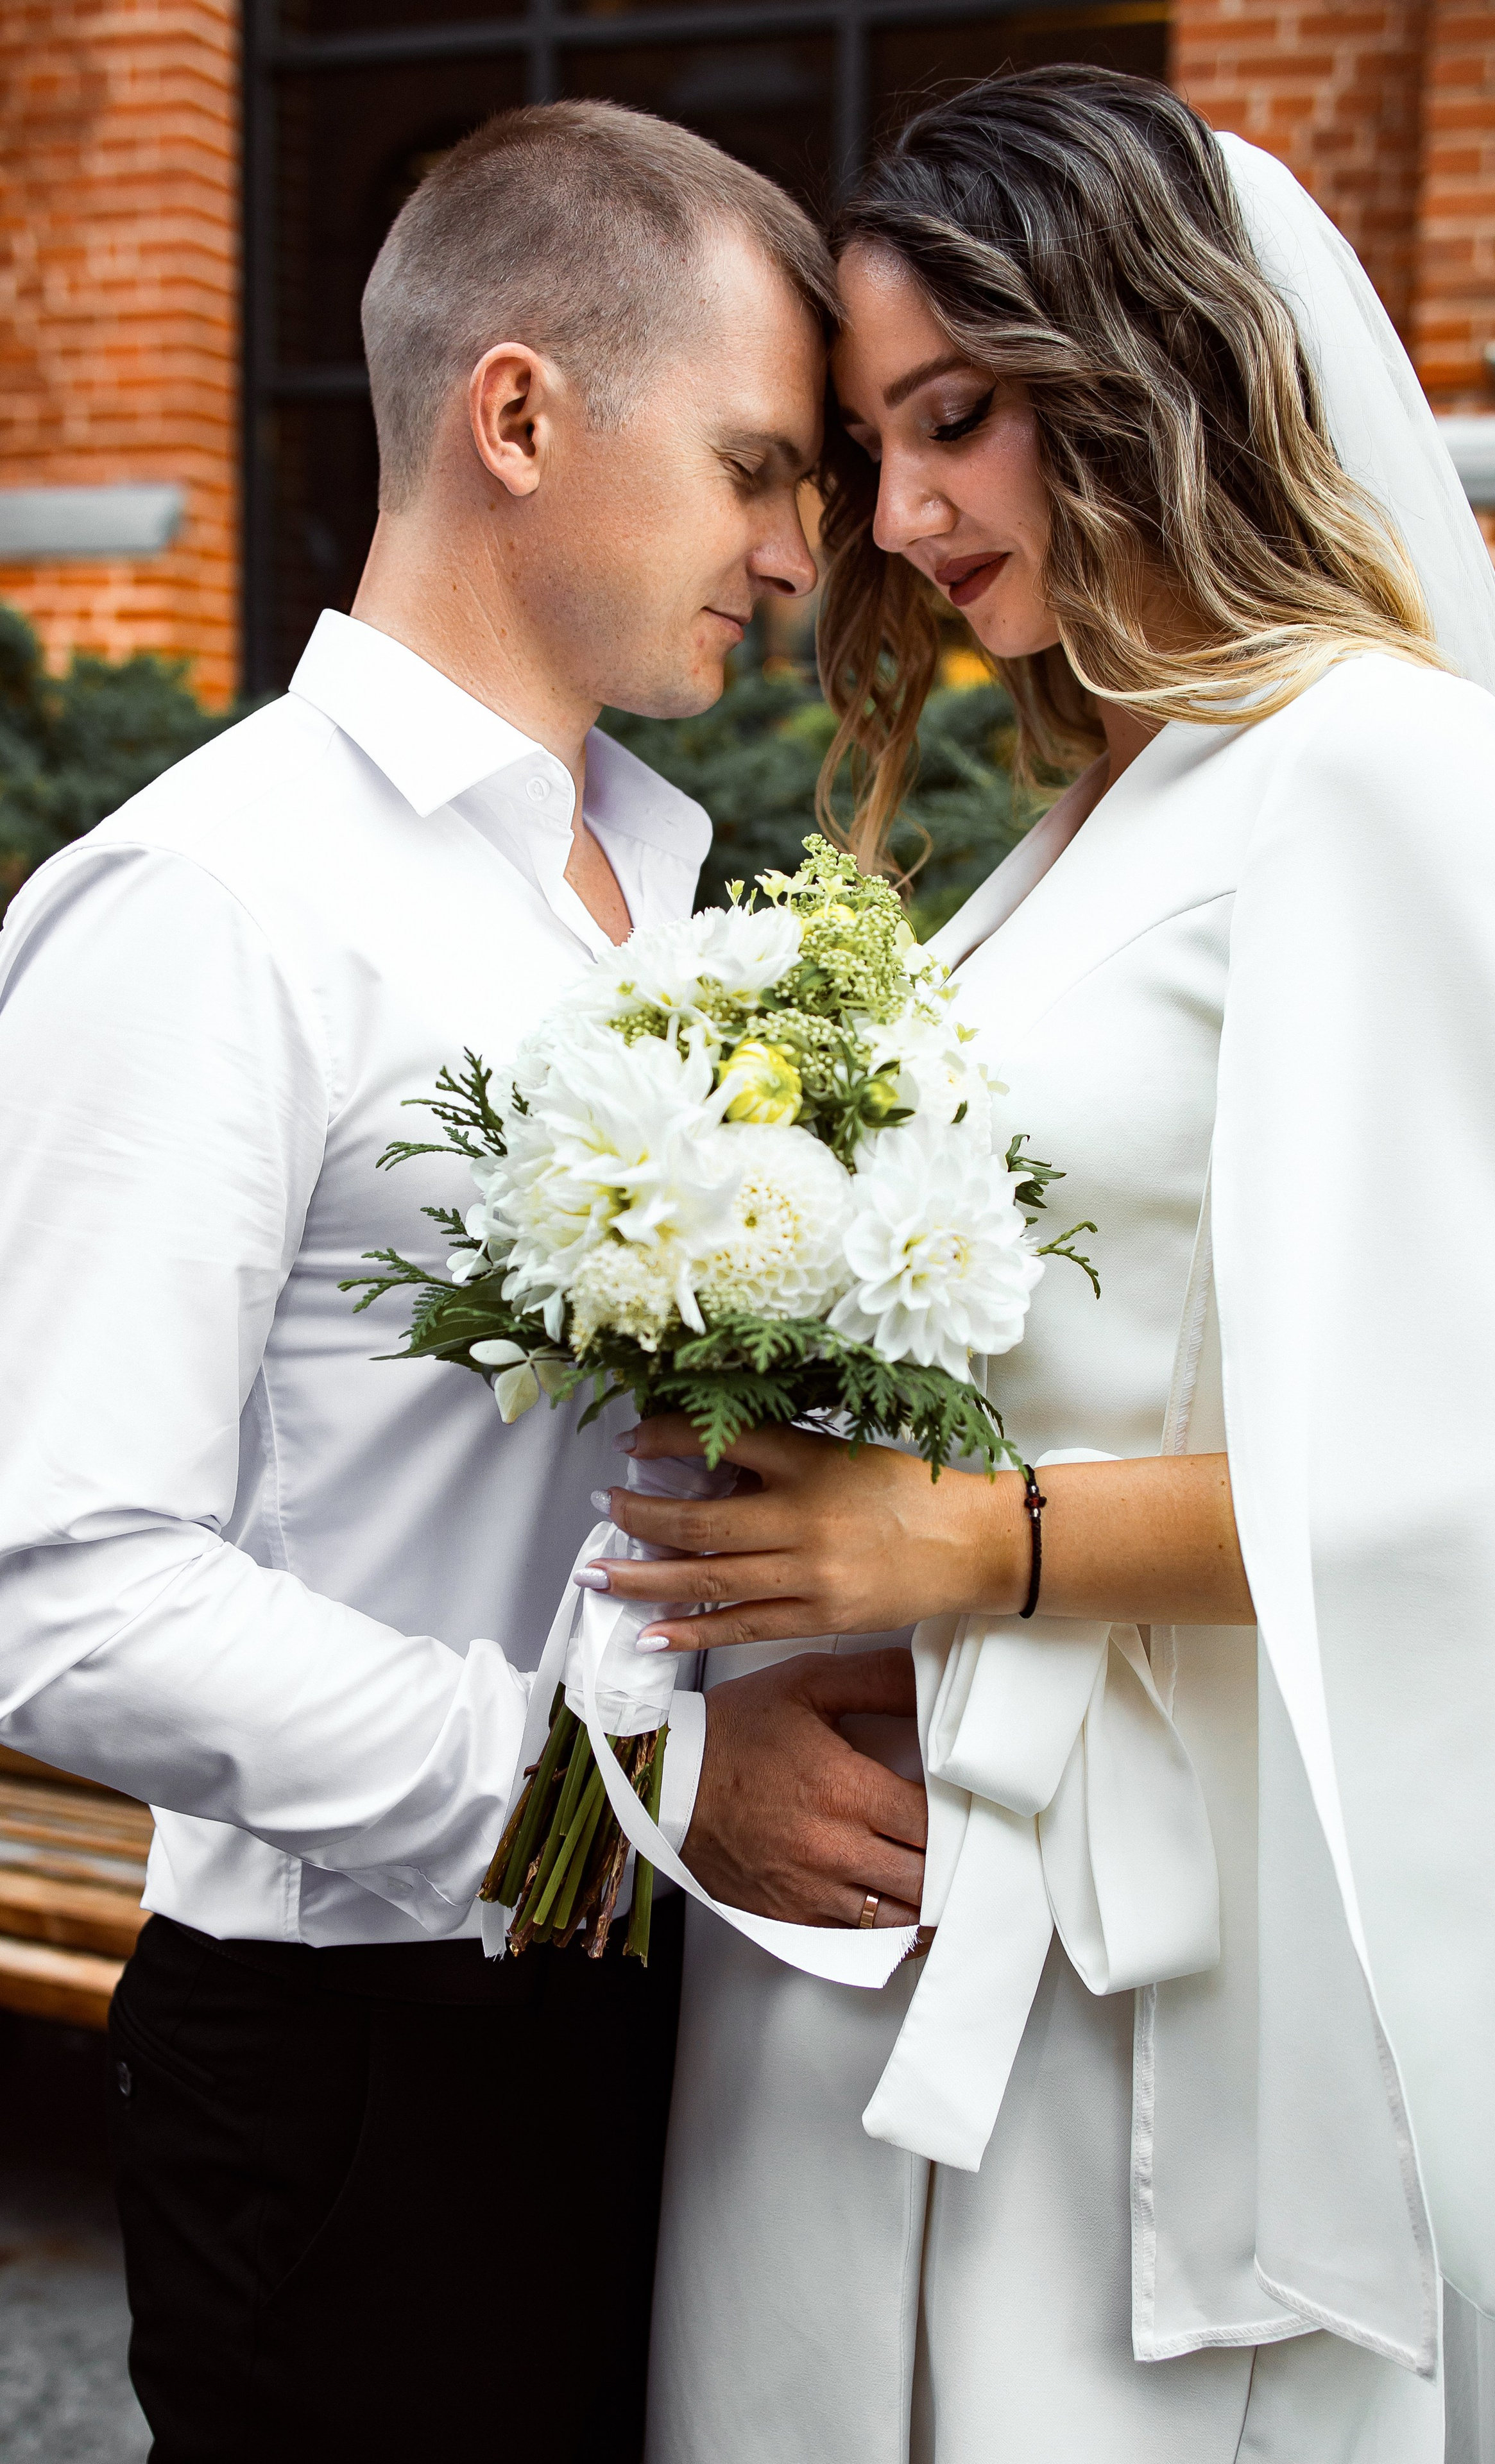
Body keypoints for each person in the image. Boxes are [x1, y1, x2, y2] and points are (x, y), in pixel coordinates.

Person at [585, 70, 1495, 2464]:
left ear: (1143, 357)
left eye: (957, 420)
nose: (900, 514)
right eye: (866, 443)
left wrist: (963, 1538)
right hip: (876, 1894)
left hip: (1138, 1969)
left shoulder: (1381, 769)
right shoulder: (1091, 812)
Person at [0, 101, 927, 2463]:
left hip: (685, 2027)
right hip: (367, 2066)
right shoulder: (210, 900)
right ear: (520, 413)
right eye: (753, 469)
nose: (799, 557)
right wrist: (601, 1801)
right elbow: (62, 1586)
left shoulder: (659, 885)